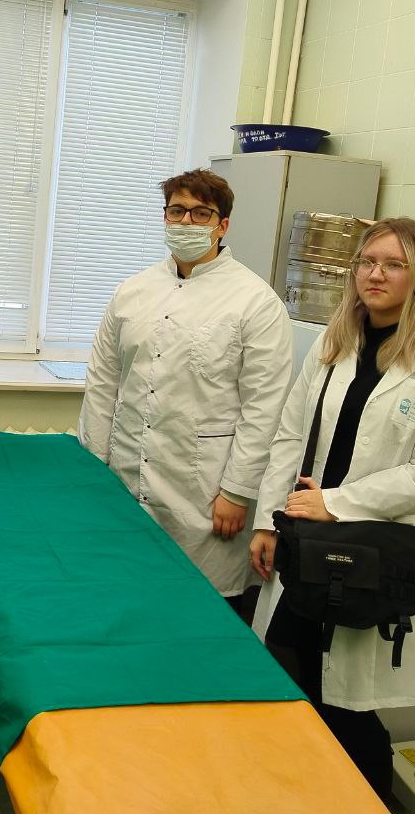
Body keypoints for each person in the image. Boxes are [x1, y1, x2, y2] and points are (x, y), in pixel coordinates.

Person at [249, 216, 415, 799]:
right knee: (290, 671)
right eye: (368, 262)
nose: (376, 274)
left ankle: (367, 800)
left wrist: (334, 503)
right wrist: (269, 521)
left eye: (394, 264)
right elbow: (289, 436)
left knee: (347, 709)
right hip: (305, 539)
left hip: (370, 549)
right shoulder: (332, 348)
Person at [79, 168, 295, 614]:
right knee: (127, 599)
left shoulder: (255, 302)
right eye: (177, 211)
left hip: (206, 493)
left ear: (223, 225)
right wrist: (94, 470)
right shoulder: (132, 292)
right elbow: (102, 384)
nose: (186, 222)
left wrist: (236, 491)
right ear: (164, 217)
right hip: (125, 478)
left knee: (199, 611)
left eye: (201, 213)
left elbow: (264, 408)